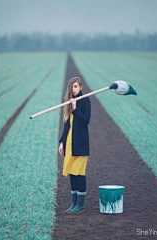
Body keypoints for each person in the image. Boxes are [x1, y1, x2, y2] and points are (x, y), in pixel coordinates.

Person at [59, 77, 91, 213]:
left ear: (81, 88)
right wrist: (61, 142)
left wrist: (75, 108)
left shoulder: (85, 101)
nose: (74, 89)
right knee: (72, 173)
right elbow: (67, 125)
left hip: (80, 144)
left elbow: (85, 121)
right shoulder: (69, 102)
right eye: (72, 87)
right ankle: (73, 204)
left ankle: (80, 205)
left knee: (79, 173)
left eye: (76, 87)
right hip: (69, 144)